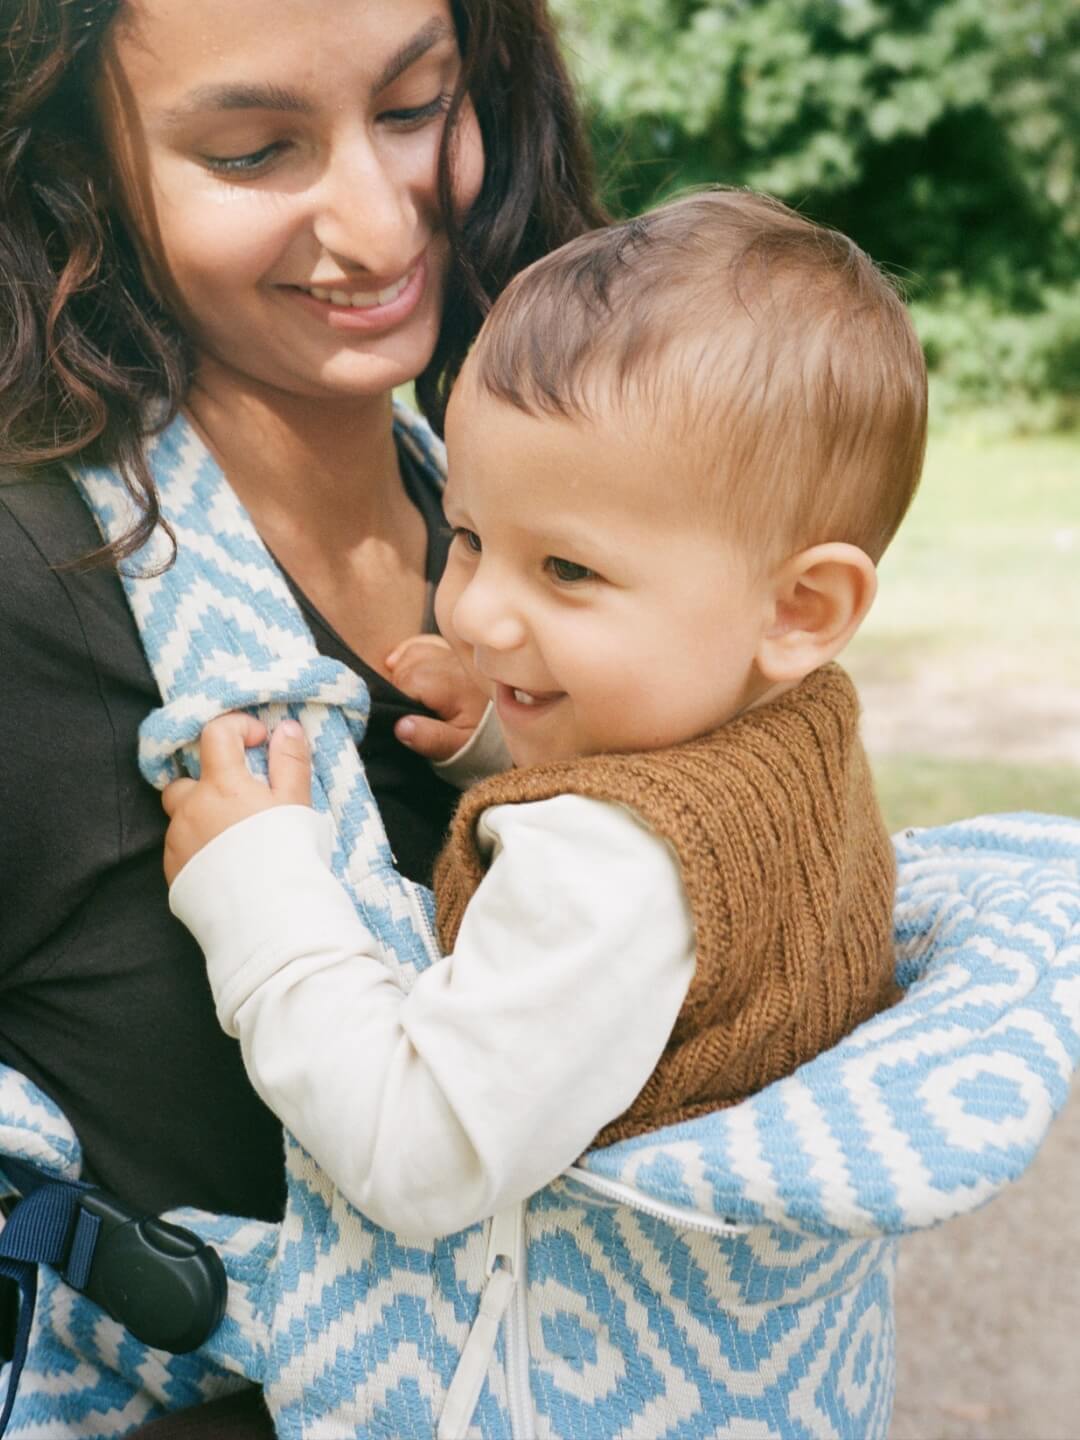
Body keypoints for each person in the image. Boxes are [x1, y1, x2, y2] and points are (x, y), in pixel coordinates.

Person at [0, 0, 602, 1433]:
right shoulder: (29, 596)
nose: (384, 225)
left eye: (415, 109)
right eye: (259, 149)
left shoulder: (546, 545)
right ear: (80, 173)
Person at [161, 189, 926, 1241]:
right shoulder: (793, 733)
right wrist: (504, 744)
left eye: (567, 568)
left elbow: (415, 1156)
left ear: (802, 610)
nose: (474, 608)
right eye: (468, 534)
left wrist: (260, 894)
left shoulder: (605, 872)